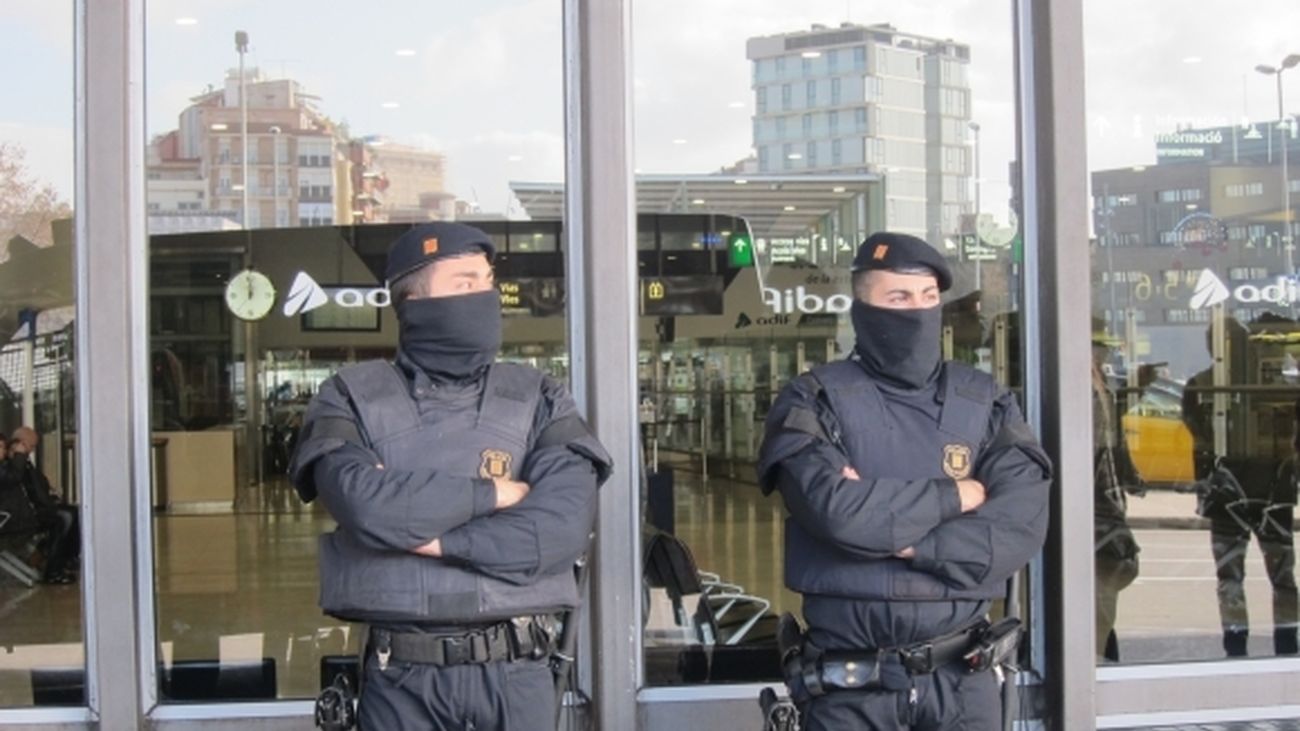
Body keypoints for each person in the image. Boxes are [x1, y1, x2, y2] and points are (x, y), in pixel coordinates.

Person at [289, 222, 612, 731]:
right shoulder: (348, 395)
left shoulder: (541, 397)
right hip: (400, 682)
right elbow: (365, 504)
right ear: (412, 298)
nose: (483, 296)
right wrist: (495, 493)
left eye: (487, 282)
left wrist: (429, 537)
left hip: (518, 675)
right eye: (464, 283)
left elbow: (559, 528)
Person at [757, 232, 1051, 731]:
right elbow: (837, 513)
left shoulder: (986, 402)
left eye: (928, 297)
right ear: (862, 307)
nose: (916, 311)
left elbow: (1019, 525)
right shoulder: (812, 401)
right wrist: (959, 493)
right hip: (850, 689)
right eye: (898, 297)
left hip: (964, 682)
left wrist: (907, 542)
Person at [1182, 319, 1297, 657]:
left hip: (1236, 493)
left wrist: (1204, 487)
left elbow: (1199, 443)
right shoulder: (1276, 384)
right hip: (1267, 490)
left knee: (1234, 579)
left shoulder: (1202, 384)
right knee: (1280, 577)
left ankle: (1237, 647)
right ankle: (1285, 645)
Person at [1090, 337, 1141, 662]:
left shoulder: (1098, 381)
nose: (1105, 352)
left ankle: (1103, 654)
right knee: (1104, 583)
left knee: (1106, 585)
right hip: (1092, 503)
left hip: (1104, 500)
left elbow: (1112, 441)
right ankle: (1098, 656)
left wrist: (1130, 475)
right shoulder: (1070, 380)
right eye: (1099, 345)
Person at [8, 426, 79, 584]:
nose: (31, 451)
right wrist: (18, 457)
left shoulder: (24, 463)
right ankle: (53, 567)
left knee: (73, 512)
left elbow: (38, 486)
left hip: (32, 510)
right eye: (30, 446)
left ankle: (62, 558)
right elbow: (14, 480)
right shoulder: (13, 464)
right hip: (20, 517)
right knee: (63, 518)